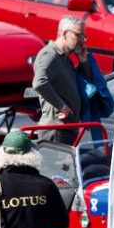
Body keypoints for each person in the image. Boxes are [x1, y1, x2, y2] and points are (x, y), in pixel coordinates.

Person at [32, 16, 92, 145]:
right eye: (79, 35)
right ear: (65, 33)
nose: (82, 41)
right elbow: (39, 83)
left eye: (84, 37)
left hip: (67, 128)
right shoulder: (50, 55)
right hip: (56, 129)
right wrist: (62, 106)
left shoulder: (65, 59)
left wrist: (83, 62)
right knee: (54, 165)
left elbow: (86, 85)